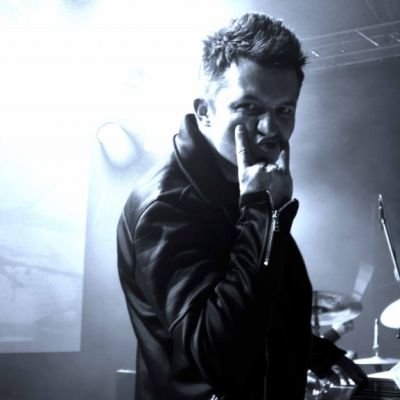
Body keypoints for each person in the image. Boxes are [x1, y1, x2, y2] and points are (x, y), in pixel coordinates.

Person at [117, 12, 367, 400]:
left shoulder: (239, 188)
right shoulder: (167, 206)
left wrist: (314, 351)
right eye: (250, 108)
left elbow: (256, 313)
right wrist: (261, 212)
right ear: (205, 112)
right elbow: (219, 355)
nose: (270, 129)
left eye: (284, 110)